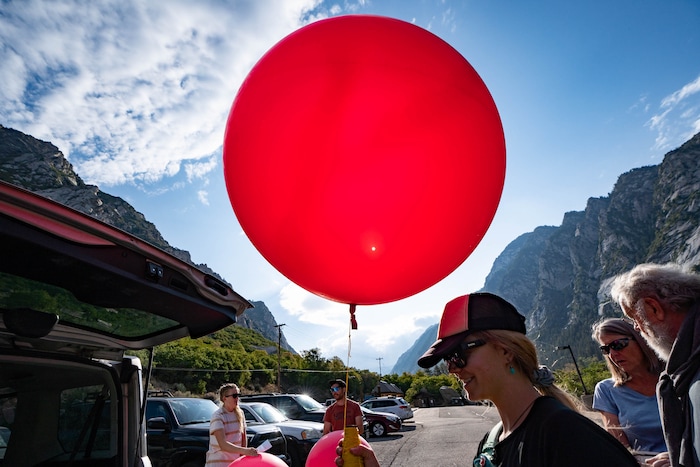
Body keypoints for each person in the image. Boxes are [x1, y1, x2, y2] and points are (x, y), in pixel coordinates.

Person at [337, 292, 638, 467]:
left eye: (458, 354)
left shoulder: (565, 433)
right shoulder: (492, 440)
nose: (452, 369)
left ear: (505, 350)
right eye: (446, 360)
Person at [610, 262, 700, 467]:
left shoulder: (694, 376)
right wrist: (684, 455)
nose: (636, 328)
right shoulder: (689, 366)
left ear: (653, 308)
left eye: (634, 318)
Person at [591, 317, 666, 453]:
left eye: (618, 345)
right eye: (606, 349)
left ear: (641, 340)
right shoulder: (606, 391)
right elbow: (622, 451)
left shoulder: (674, 376)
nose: (612, 354)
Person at [206, 383, 258, 466]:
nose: (237, 398)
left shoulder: (240, 413)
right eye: (234, 396)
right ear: (224, 398)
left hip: (234, 463)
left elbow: (243, 439)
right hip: (219, 463)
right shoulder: (218, 416)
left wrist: (243, 457)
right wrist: (245, 451)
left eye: (238, 395)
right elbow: (223, 445)